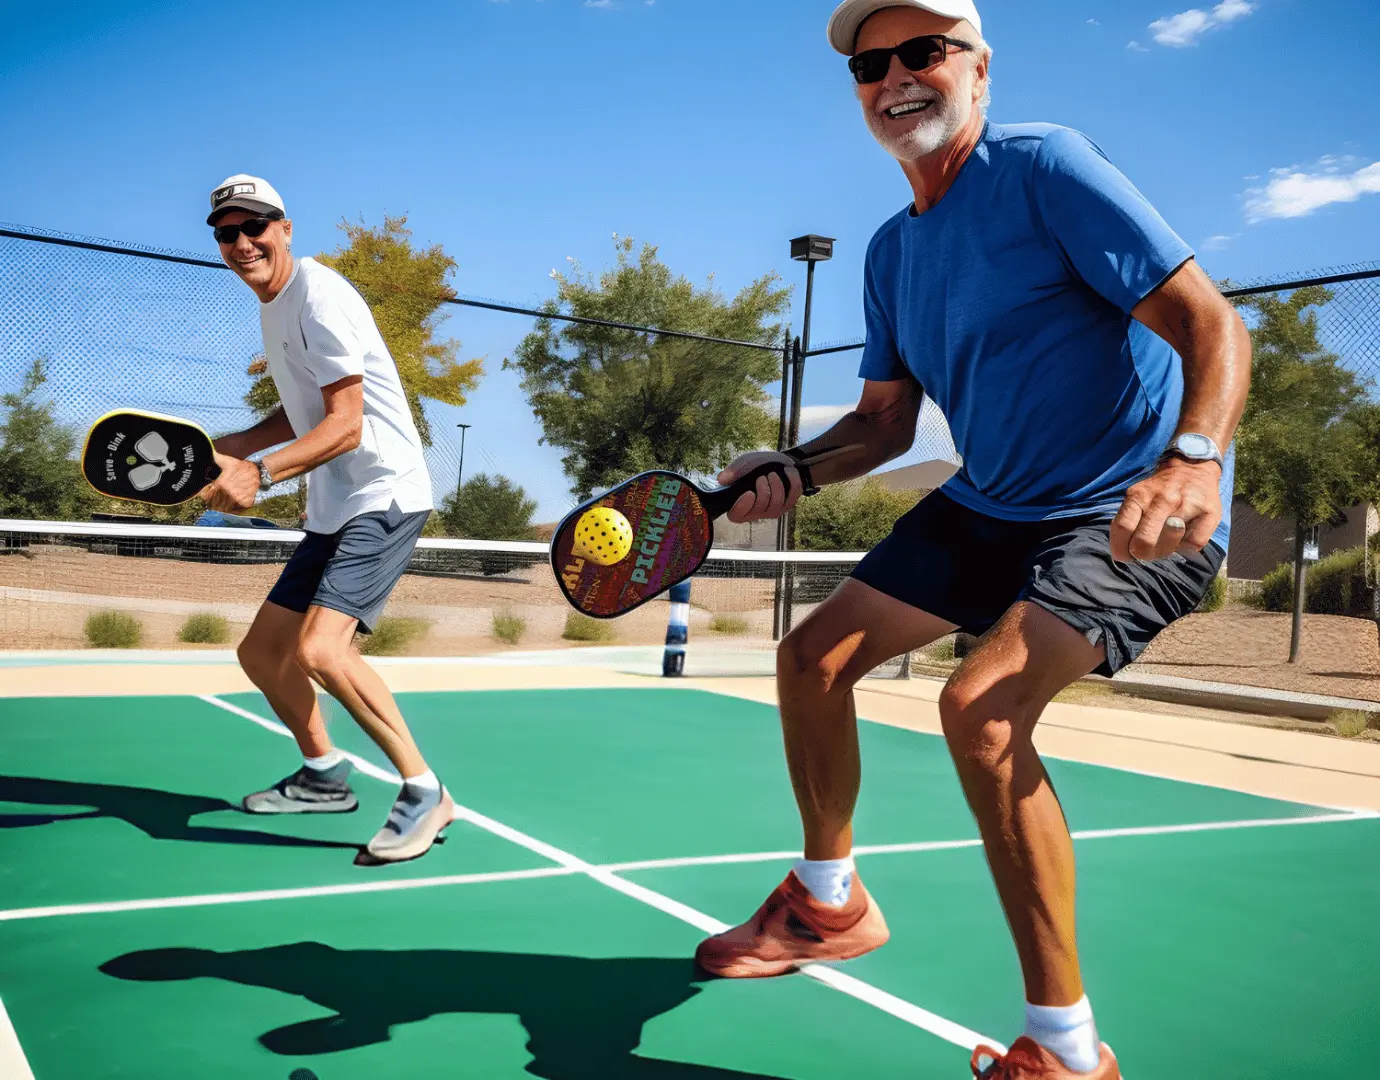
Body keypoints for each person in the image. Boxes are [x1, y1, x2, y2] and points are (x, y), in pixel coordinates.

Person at [693, 3, 1252, 1078]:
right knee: (813, 658)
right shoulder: (892, 251)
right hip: (994, 501)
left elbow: (1212, 324)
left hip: (1128, 503)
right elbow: (885, 425)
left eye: (923, 51)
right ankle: (826, 901)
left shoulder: (1045, 168)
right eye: (871, 63)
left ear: (978, 68)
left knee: (980, 707)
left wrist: (1193, 456)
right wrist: (795, 469)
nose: (895, 75)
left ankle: (1065, 1051)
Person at [201, 174, 452, 866]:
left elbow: (346, 425)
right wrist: (234, 447)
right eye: (228, 232)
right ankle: (322, 775)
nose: (243, 242)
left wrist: (260, 472)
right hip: (335, 508)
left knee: (320, 650)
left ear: (285, 228)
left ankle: (425, 789)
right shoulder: (275, 307)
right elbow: (304, 409)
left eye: (256, 227)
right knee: (261, 653)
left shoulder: (320, 295)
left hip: (384, 493)